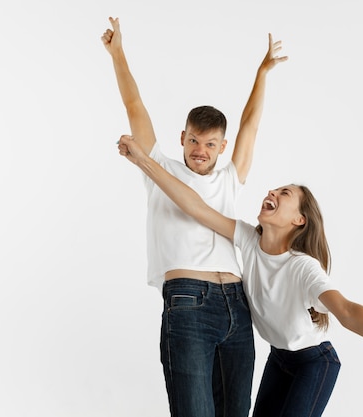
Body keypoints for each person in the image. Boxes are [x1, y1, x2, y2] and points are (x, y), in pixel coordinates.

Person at [116, 133, 363, 417]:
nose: (272, 193)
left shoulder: (302, 268)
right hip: (279, 359)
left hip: (315, 365)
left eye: (284, 195)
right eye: (274, 189)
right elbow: (193, 206)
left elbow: (348, 313)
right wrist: (144, 162)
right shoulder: (248, 240)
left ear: (299, 220)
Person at [101, 17, 288, 417]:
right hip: (188, 301)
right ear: (181, 138)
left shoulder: (230, 177)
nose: (199, 150)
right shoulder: (160, 170)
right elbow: (134, 105)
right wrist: (118, 54)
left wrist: (262, 73)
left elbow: (251, 124)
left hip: (238, 306)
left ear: (221, 147)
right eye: (192, 140)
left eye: (209, 144)